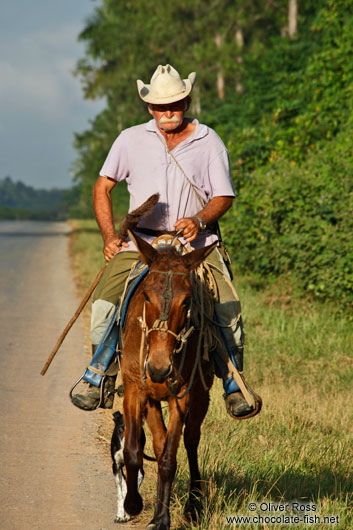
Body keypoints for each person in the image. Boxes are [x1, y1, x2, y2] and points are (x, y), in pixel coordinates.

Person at [72, 64, 261, 419]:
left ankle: (234, 385)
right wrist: (110, 237)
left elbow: (224, 196)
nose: (167, 111)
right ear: (149, 108)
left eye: (174, 103)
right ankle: (100, 376)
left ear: (186, 101)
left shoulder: (209, 141)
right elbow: (103, 187)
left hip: (195, 245)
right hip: (142, 245)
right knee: (103, 308)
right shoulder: (129, 139)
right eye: (160, 106)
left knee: (227, 309)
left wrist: (200, 219)